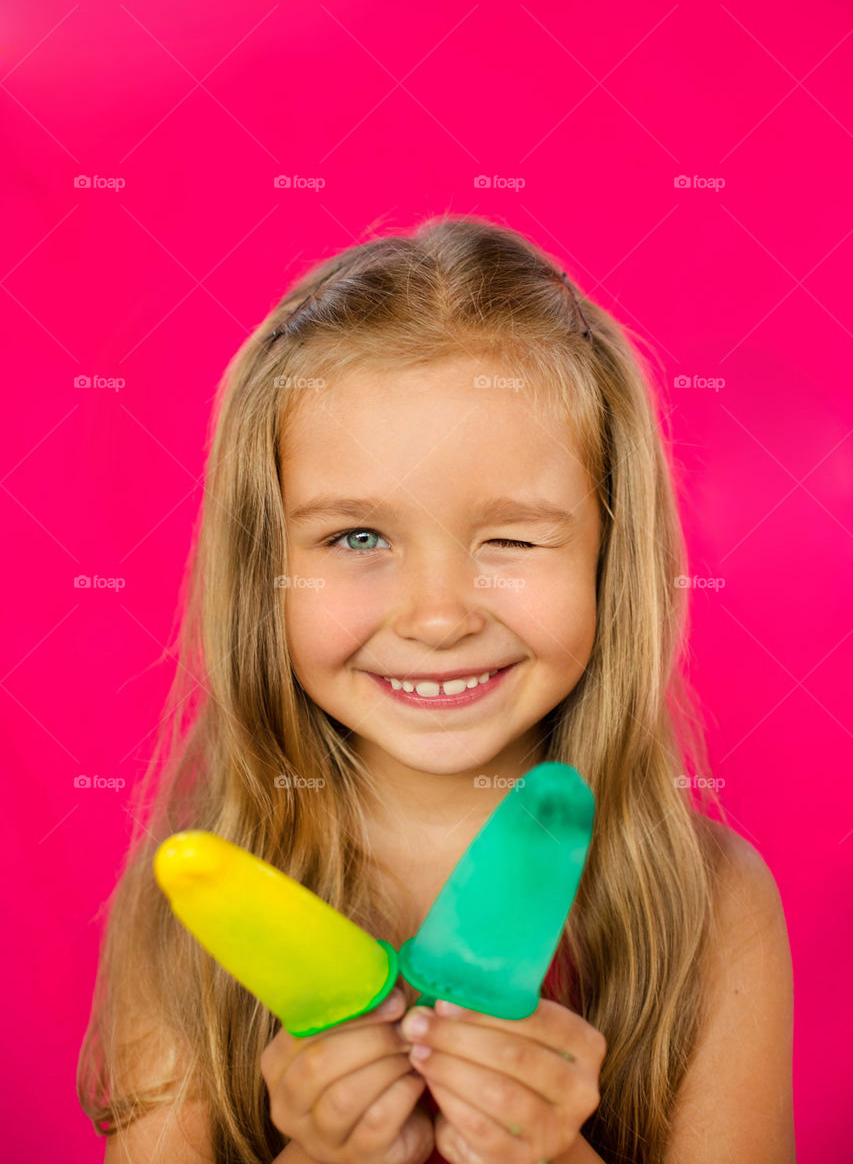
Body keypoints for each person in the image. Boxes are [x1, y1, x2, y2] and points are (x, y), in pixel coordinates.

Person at [77, 216, 795, 1163]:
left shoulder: (712, 904)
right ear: (264, 571)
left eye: (510, 538)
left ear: (608, 559)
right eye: (356, 538)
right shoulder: (188, 915)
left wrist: (552, 1153)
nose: (438, 616)